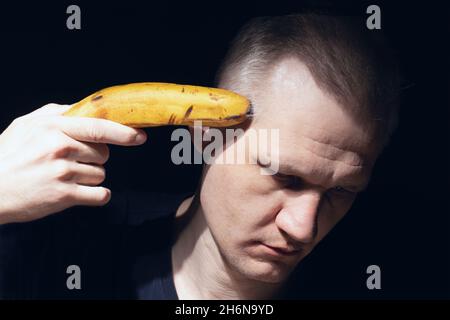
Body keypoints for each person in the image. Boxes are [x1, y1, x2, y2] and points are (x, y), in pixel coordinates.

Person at [0, 13, 400, 299]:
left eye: (342, 190)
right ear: (206, 137)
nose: (303, 228)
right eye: (285, 177)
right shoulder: (56, 250)